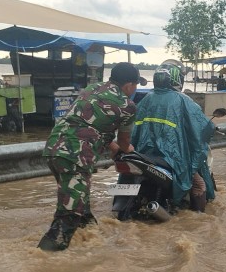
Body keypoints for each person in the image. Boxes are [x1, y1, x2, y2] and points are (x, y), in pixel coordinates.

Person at [38, 62, 143, 251]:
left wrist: (113, 147)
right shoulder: (128, 106)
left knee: (81, 205)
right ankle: (42, 264)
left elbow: (91, 125)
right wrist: (129, 151)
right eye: (136, 85)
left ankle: (92, 242)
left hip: (54, 148)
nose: (135, 89)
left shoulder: (92, 88)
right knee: (68, 216)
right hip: (75, 154)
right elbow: (125, 143)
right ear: (129, 85)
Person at [131, 60, 216, 212]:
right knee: (199, 184)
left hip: (143, 153)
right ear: (177, 79)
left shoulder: (146, 99)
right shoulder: (182, 99)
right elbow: (202, 127)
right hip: (171, 157)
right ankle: (200, 220)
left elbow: (132, 129)